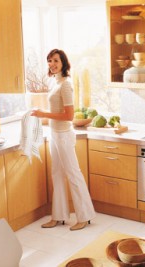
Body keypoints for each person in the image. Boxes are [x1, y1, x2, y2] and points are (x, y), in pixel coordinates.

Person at [31, 49, 96, 231]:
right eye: (49, 61)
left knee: (73, 174)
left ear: (63, 63)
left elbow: (68, 116)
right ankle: (58, 216)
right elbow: (57, 111)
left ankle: (84, 216)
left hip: (64, 136)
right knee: (57, 174)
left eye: (56, 61)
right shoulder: (55, 82)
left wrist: (44, 114)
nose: (52, 64)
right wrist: (41, 115)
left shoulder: (66, 84)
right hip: (54, 134)